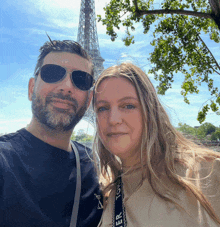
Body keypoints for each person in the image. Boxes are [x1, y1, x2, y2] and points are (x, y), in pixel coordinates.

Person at [92, 62, 220, 227]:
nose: (113, 119)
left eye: (128, 105)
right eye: (102, 108)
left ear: (150, 109)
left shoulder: (208, 172)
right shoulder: (105, 192)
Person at [0, 39, 103, 227]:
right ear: (31, 89)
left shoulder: (97, 170)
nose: (67, 86)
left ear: (88, 101)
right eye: (53, 73)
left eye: (81, 80)